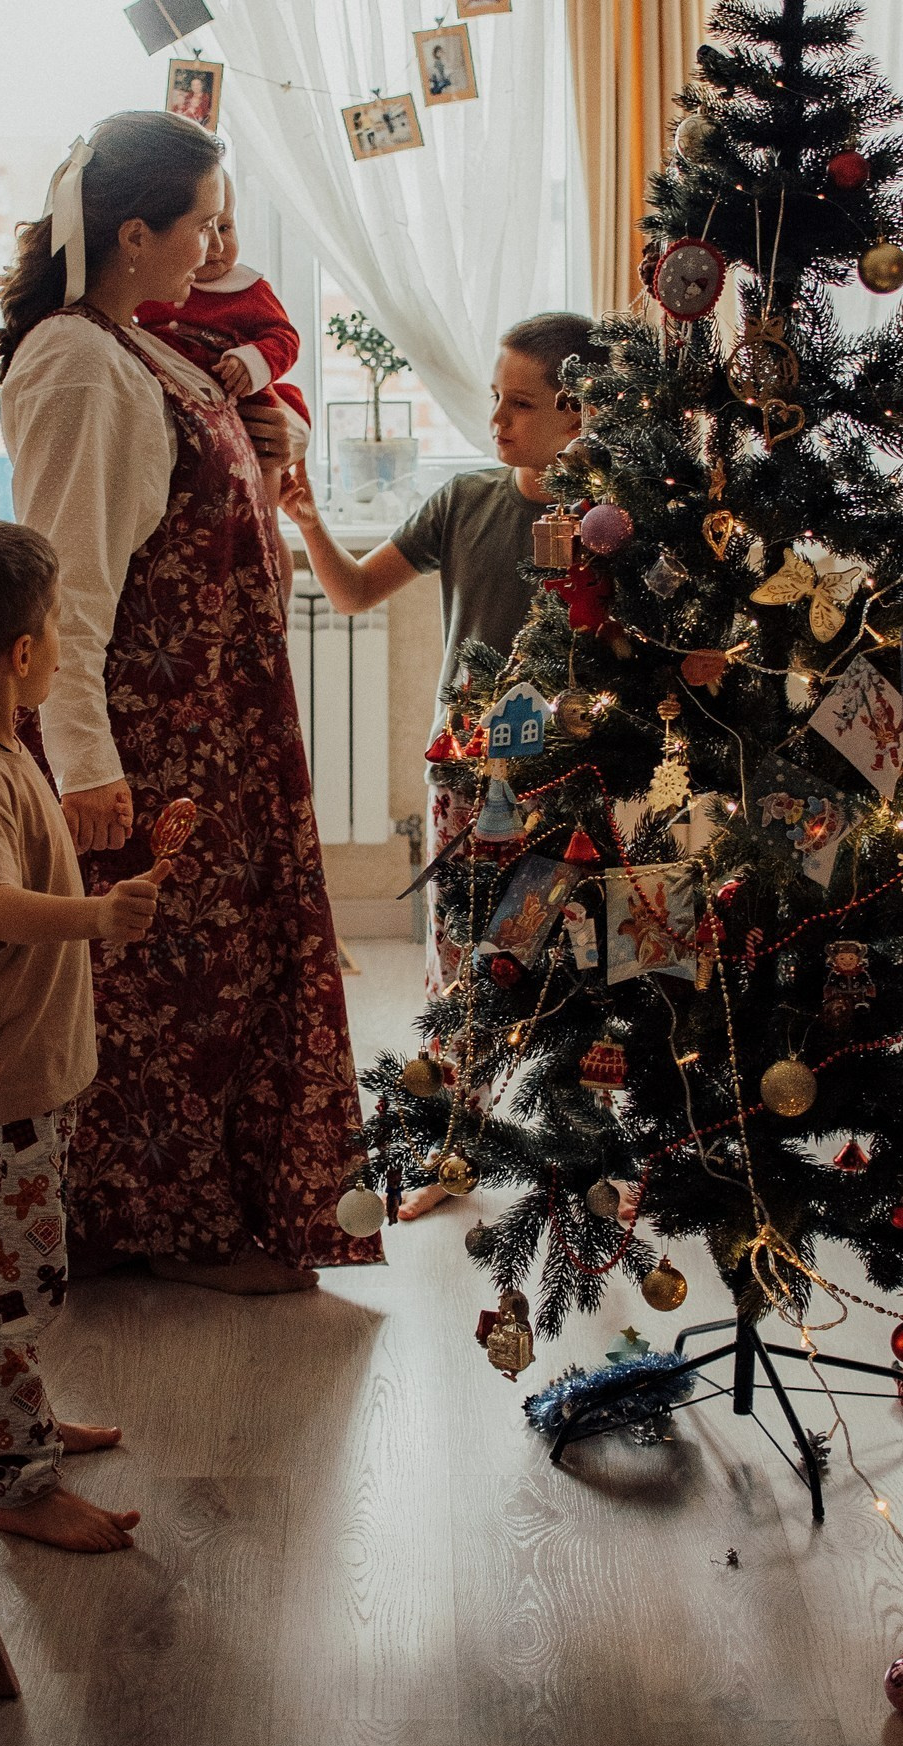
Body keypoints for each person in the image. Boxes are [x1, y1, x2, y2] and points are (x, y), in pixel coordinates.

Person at [0, 109, 378, 1293]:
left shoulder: (138, 347)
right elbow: (67, 590)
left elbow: (217, 486)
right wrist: (85, 762)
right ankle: (162, 1230)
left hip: (212, 733)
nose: (215, 247)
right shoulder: (78, 363)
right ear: (134, 233)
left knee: (206, 982)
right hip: (150, 745)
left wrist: (275, 434)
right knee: (163, 990)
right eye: (201, 223)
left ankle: (195, 1215)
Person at [279, 311, 607, 1218]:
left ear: (578, 410)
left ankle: (586, 1152)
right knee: (460, 971)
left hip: (568, 790)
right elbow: (352, 592)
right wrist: (308, 520)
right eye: (496, 398)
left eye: (520, 404)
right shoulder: (464, 500)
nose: (496, 419)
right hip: (465, 784)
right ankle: (451, 1146)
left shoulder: (611, 524)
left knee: (572, 966)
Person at [0, 520, 168, 1553]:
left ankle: (16, 1423)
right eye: (56, 627)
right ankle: (18, 1482)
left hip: (11, 1074)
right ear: (21, 655)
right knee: (7, 1287)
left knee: (15, 1269)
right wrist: (100, 916)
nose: (62, 644)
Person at [135, 169, 306, 600]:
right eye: (204, 229)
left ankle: (274, 601)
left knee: (264, 525)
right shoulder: (157, 289)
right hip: (193, 426)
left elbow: (285, 338)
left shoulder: (249, 288)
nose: (215, 244)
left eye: (225, 228)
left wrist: (253, 361)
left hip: (251, 413)